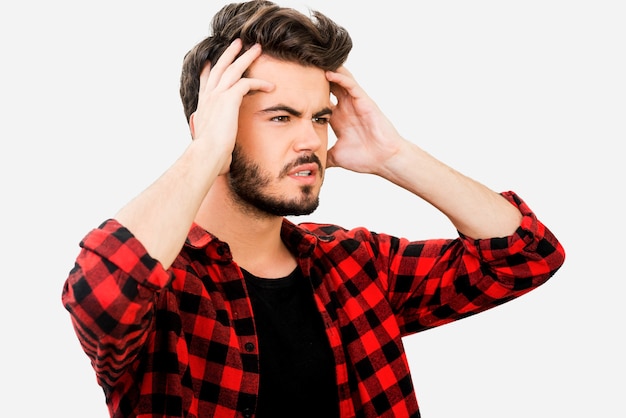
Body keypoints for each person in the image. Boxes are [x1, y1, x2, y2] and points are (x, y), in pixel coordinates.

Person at [61, 1, 566, 417]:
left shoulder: (354, 263)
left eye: (319, 117)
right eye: (280, 117)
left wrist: (393, 156)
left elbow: (526, 255)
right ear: (213, 127)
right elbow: (102, 292)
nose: (311, 140)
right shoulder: (167, 287)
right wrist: (203, 155)